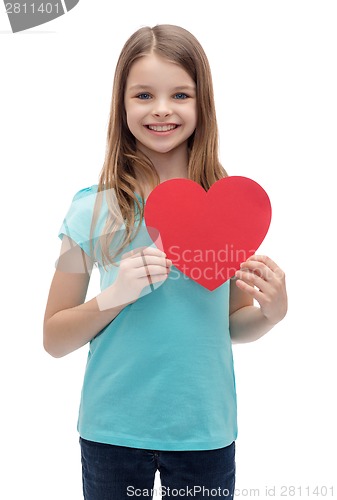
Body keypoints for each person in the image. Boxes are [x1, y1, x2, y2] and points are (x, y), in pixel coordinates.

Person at [43, 24, 288, 500]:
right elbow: (53, 337)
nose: (161, 109)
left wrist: (270, 315)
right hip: (111, 431)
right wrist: (115, 297)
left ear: (202, 105)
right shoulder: (89, 210)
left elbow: (231, 325)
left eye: (180, 94)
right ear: (122, 105)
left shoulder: (232, 210)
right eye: (143, 95)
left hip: (204, 432)